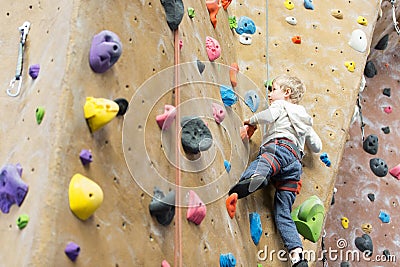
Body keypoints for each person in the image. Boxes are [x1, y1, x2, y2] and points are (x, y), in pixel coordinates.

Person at [228, 74, 322, 267]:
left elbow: (268, 116)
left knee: (264, 162)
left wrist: (251, 121)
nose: (270, 94)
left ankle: (256, 177)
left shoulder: (281, 106)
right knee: (283, 212)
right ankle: (297, 256)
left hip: (279, 148)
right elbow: (317, 145)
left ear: (286, 93)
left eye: (273, 89)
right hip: (295, 164)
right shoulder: (304, 119)